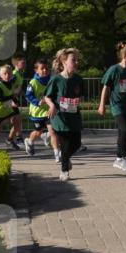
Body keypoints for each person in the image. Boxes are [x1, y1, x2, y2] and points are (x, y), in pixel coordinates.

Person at [42, 48, 84, 181]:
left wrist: (77, 100)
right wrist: (52, 105)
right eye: (73, 60)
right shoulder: (56, 79)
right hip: (60, 118)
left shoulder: (78, 79)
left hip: (74, 117)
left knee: (76, 143)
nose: (76, 62)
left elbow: (81, 95)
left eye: (77, 60)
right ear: (64, 62)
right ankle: (64, 170)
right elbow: (47, 96)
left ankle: (65, 158)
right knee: (65, 145)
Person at [99, 43, 126, 172]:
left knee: (124, 132)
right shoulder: (114, 69)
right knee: (124, 130)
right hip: (117, 105)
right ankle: (122, 157)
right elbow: (106, 87)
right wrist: (102, 105)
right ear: (125, 56)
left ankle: (120, 157)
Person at [24, 59, 56, 158]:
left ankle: (56, 150)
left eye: (46, 68)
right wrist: (37, 102)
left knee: (53, 130)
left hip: (48, 110)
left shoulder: (51, 80)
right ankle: (29, 141)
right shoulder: (33, 82)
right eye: (42, 69)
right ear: (36, 70)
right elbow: (28, 96)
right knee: (38, 131)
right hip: (37, 112)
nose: (45, 70)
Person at [0, 63, 22, 151]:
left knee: (16, 122)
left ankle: (10, 140)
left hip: (7, 109)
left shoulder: (11, 83)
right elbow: (0, 98)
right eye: (5, 74)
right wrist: (12, 100)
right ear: (0, 75)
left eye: (9, 73)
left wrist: (16, 102)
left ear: (12, 74)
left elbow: (11, 95)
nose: (7, 75)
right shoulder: (0, 86)